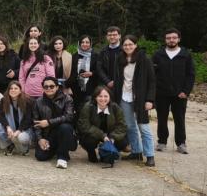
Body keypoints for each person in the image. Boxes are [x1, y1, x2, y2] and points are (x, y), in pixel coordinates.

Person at [114, 35, 156, 166]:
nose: (128, 47)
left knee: (143, 127)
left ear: (136, 45)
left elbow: (152, 81)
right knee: (130, 126)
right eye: (125, 45)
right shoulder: (120, 59)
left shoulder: (144, 59)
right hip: (124, 97)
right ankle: (136, 152)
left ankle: (150, 155)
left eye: (130, 44)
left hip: (140, 98)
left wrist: (150, 100)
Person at [153, 28, 195, 154]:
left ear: (178, 39)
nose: (171, 40)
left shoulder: (185, 55)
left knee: (180, 119)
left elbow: (190, 75)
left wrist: (185, 91)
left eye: (174, 38)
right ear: (165, 40)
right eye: (168, 38)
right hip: (161, 93)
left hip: (179, 94)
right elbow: (152, 74)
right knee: (161, 118)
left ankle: (181, 143)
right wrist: (154, 90)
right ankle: (162, 142)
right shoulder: (158, 55)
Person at [32, 77, 77, 169]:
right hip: (48, 135)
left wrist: (49, 122)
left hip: (64, 133)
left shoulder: (67, 99)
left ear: (57, 87)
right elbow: (36, 123)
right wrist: (40, 139)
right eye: (46, 87)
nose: (49, 88)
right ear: (42, 88)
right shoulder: (38, 102)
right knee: (41, 156)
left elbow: (69, 116)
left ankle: (62, 157)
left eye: (52, 86)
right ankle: (58, 148)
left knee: (65, 127)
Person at [77, 85, 128, 163]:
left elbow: (122, 126)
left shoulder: (115, 107)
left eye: (105, 96)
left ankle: (107, 153)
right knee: (88, 141)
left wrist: (112, 137)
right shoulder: (88, 107)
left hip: (110, 134)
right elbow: (84, 126)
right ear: (95, 97)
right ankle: (91, 153)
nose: (103, 99)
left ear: (109, 97)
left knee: (123, 142)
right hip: (94, 134)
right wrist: (102, 136)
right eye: (100, 96)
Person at [0, 81, 35, 155]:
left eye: (16, 88)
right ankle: (11, 144)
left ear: (20, 90)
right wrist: (7, 127)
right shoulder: (3, 100)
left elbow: (28, 119)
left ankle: (25, 148)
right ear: (8, 90)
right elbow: (1, 116)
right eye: (11, 88)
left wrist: (19, 130)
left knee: (21, 138)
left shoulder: (28, 101)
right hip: (11, 128)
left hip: (24, 129)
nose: (13, 90)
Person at [71, 35, 98, 109]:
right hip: (76, 88)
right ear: (79, 43)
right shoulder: (75, 56)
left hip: (91, 87)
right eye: (82, 42)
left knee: (90, 108)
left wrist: (92, 73)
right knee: (77, 109)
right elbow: (72, 72)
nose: (84, 44)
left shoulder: (95, 56)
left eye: (87, 42)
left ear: (90, 44)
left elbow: (99, 70)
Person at [95, 26, 122, 91]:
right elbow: (99, 68)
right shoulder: (102, 51)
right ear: (107, 37)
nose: (112, 37)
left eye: (114, 35)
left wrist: (117, 82)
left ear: (119, 36)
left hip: (122, 85)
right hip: (105, 85)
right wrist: (107, 81)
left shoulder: (124, 50)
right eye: (109, 35)